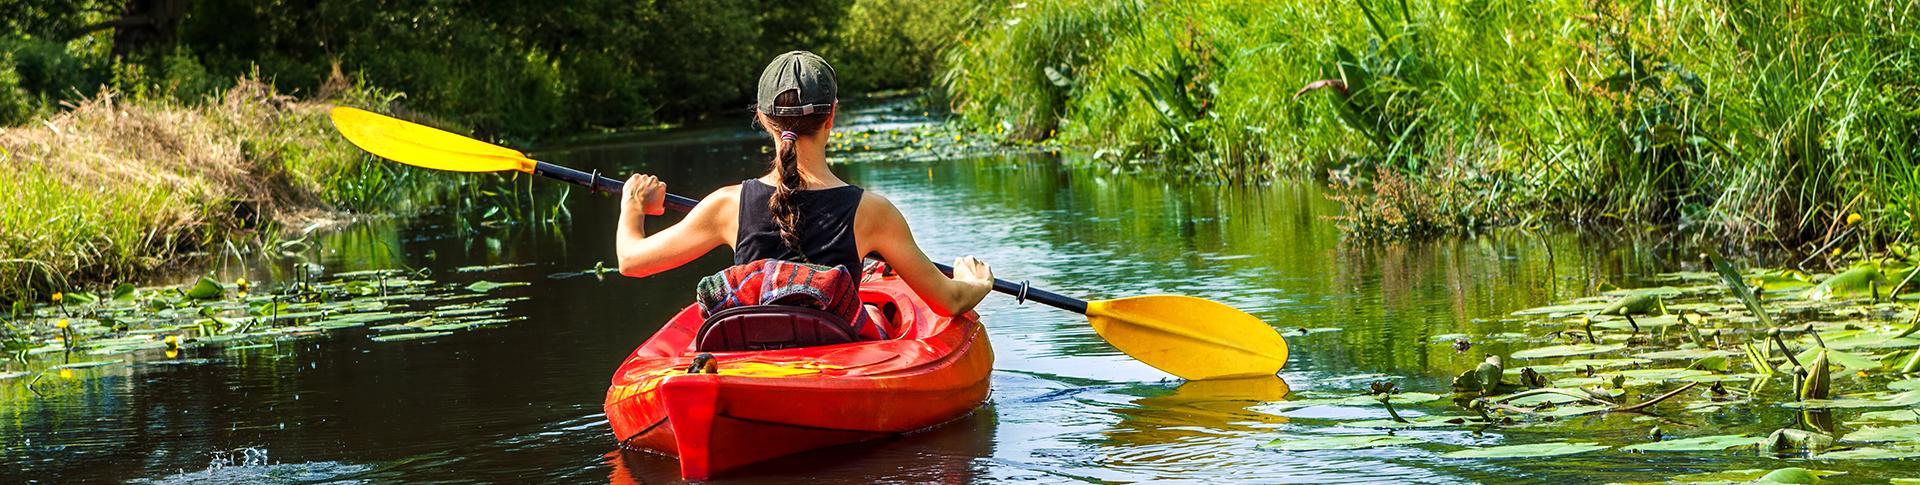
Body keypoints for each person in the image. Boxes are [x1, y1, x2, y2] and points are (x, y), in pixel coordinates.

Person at [614, 50, 995, 320]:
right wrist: (974, 283)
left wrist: (633, 206)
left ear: (763, 118)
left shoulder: (727, 205)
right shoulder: (872, 211)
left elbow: (632, 262)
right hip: (836, 355)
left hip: (755, 355)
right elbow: (949, 301)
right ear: (832, 115)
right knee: (876, 314)